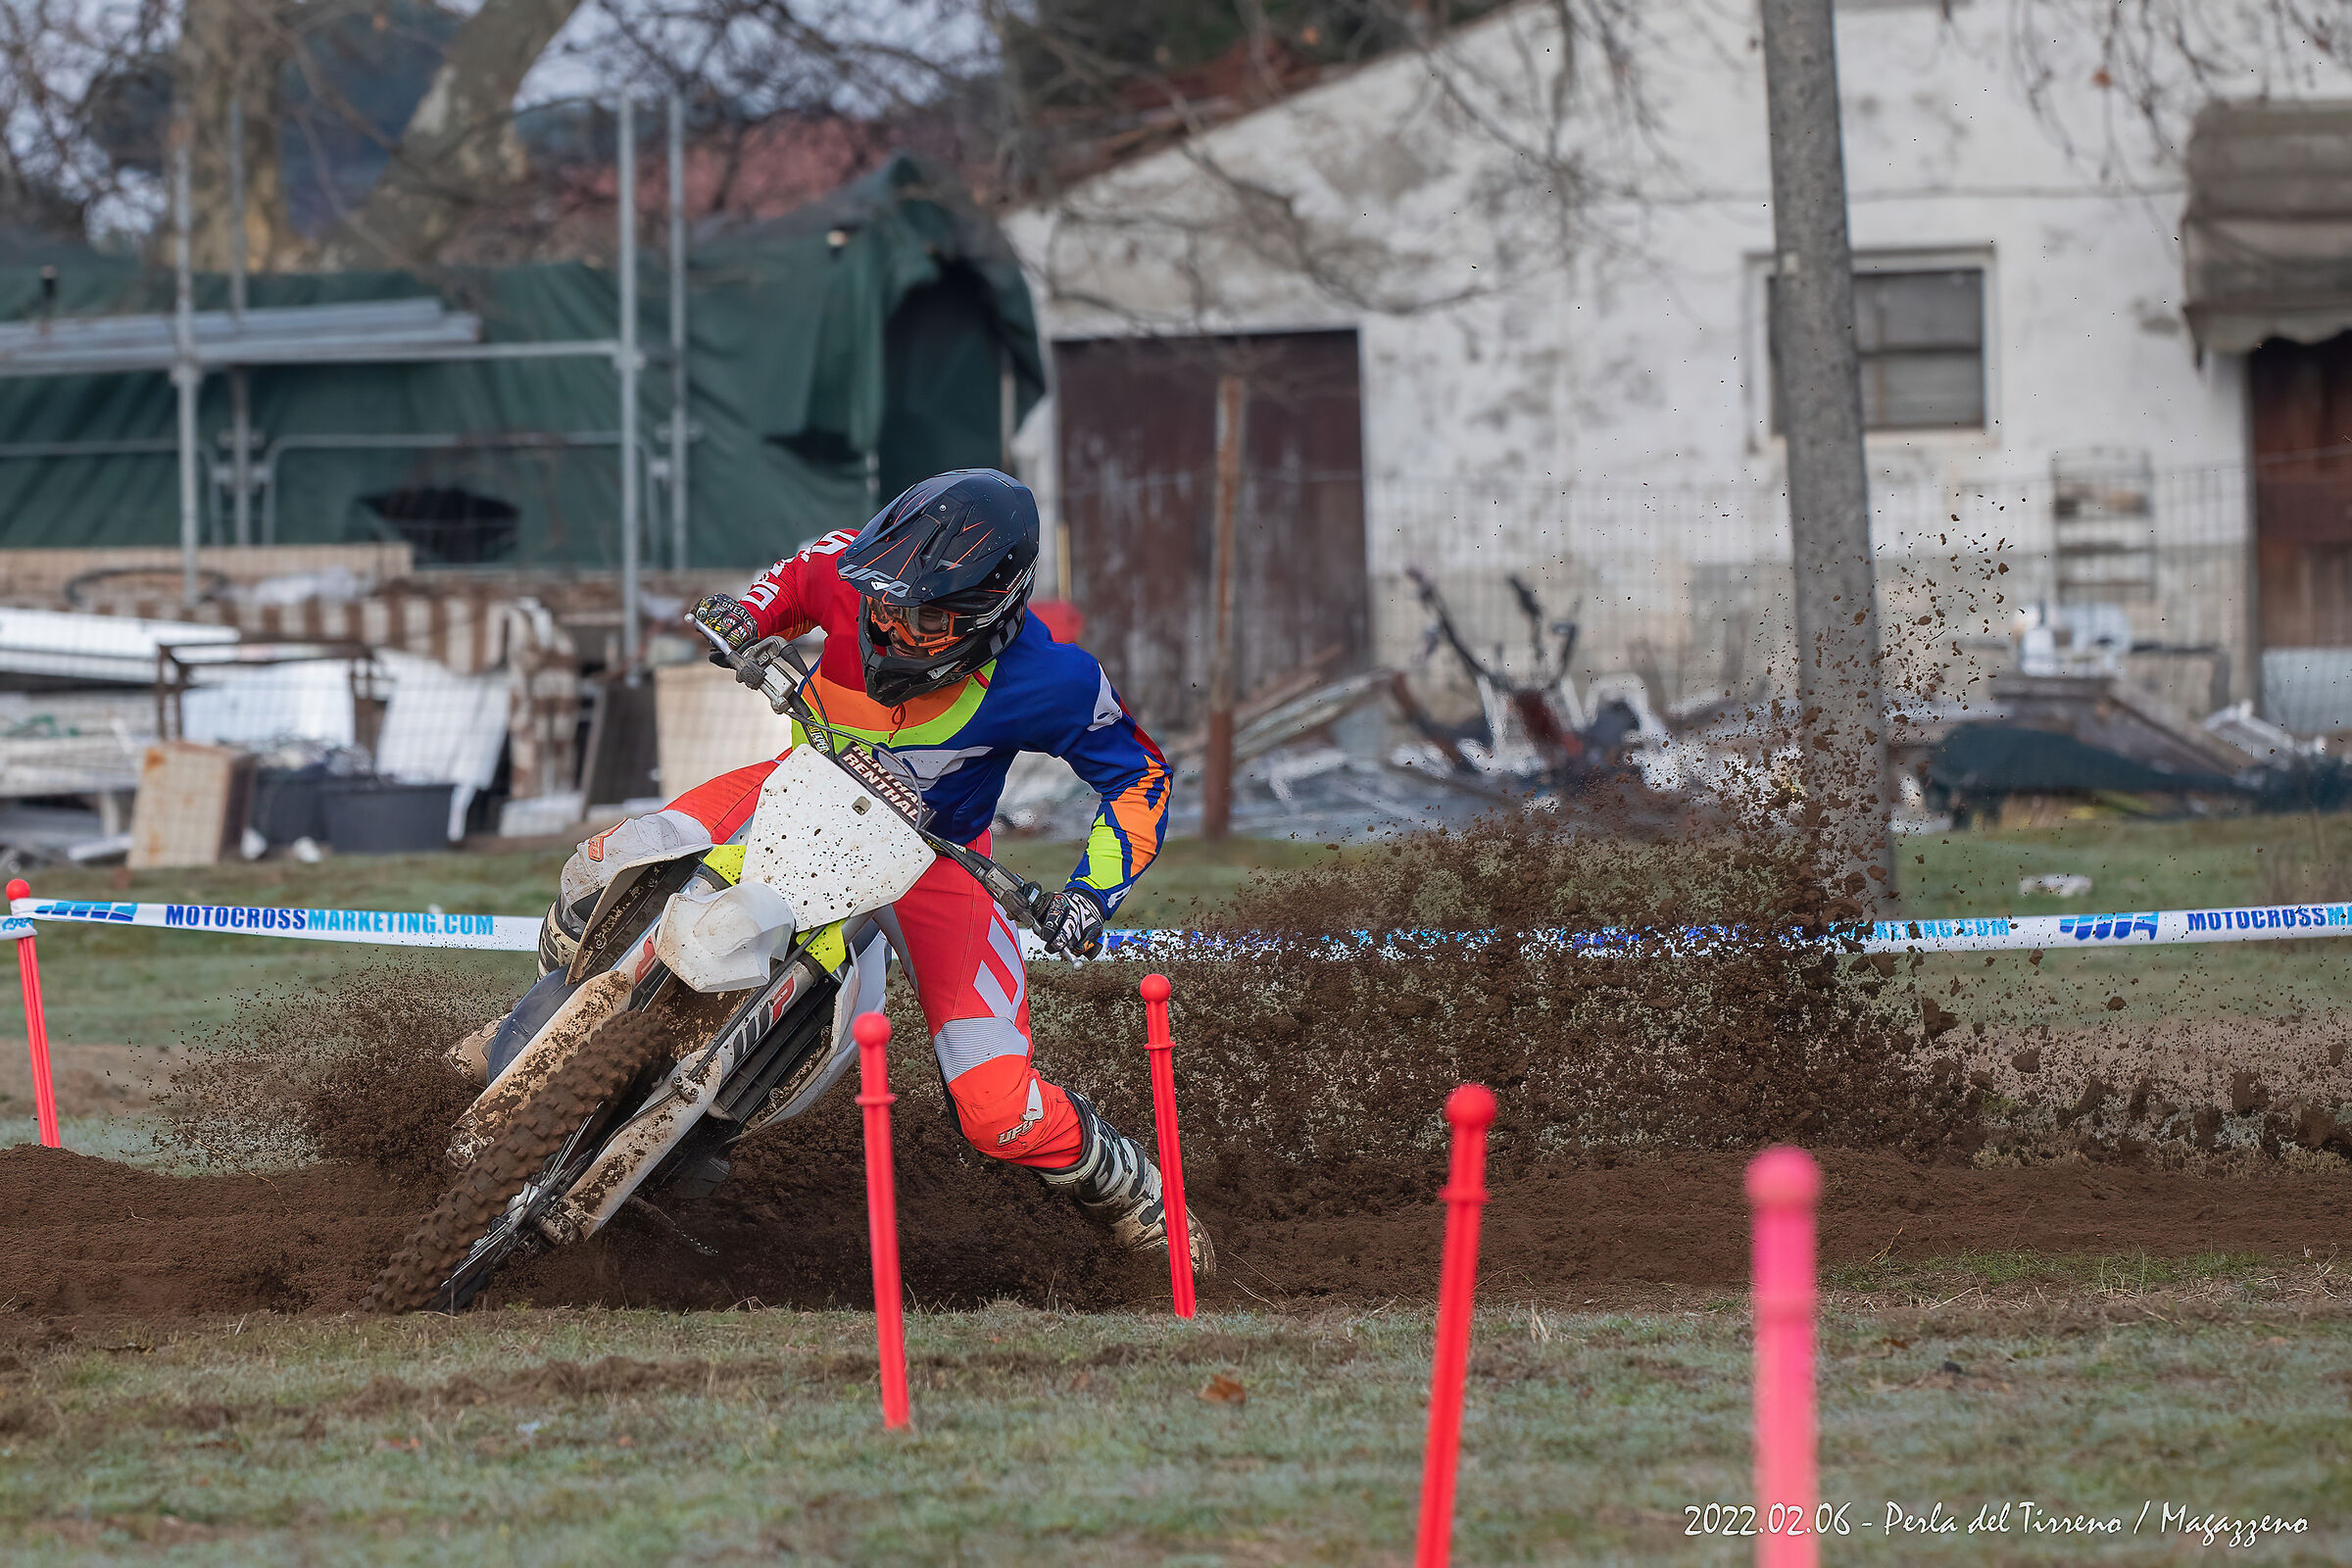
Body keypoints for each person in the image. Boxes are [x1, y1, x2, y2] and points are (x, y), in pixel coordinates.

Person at [537, 468, 1207, 1273]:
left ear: (991, 610)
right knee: (600, 869)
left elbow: (1138, 777)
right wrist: (743, 618)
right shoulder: (849, 568)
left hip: (934, 864)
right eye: (884, 603)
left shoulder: (1053, 679)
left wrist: (1091, 896)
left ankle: (1131, 1188)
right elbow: (788, 585)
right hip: (790, 792)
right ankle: (544, 1018)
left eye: (923, 617)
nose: (888, 626)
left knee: (998, 1110)